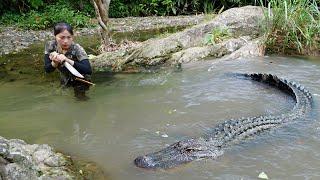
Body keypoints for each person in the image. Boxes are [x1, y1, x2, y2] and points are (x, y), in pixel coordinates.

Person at [44, 22, 92, 100]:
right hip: (65, 78)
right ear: (55, 36)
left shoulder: (77, 48)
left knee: (80, 99)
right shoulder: (50, 46)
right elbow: (47, 70)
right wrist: (55, 62)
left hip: (81, 79)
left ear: (72, 37)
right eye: (62, 37)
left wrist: (67, 60)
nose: (66, 41)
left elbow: (88, 70)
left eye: (69, 37)